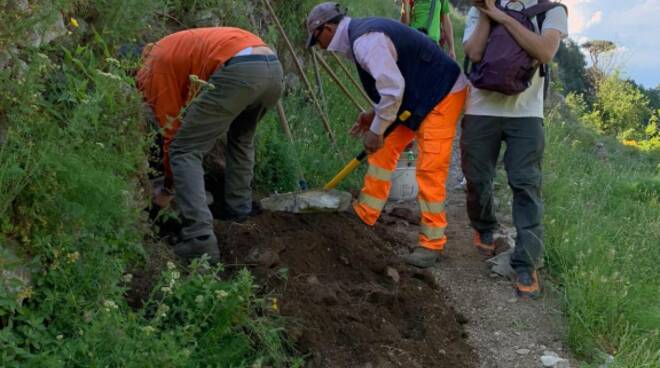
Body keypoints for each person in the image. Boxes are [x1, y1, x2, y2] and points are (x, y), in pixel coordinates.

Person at [306, 2, 468, 268]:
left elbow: (393, 89)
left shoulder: (365, 42)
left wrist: (376, 131)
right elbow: (393, 83)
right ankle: (365, 214)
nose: (320, 48)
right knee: (383, 150)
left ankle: (431, 243)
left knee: (430, 169)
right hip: (414, 97)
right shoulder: (361, 38)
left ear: (327, 29)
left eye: (317, 40)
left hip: (442, 94)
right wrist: (374, 115)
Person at [137, 27, 283, 263]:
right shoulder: (174, 47)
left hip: (240, 70)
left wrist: (167, 190)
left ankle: (199, 238)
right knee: (241, 139)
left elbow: (173, 132)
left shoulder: (153, 66)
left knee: (185, 150)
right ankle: (238, 210)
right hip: (272, 67)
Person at [462, 0, 567, 298]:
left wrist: (504, 19)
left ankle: (526, 262)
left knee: (526, 185)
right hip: (480, 109)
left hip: (527, 115)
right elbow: (474, 52)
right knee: (477, 178)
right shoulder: (479, 8)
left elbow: (545, 52)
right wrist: (487, 13)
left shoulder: (551, 10)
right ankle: (484, 227)